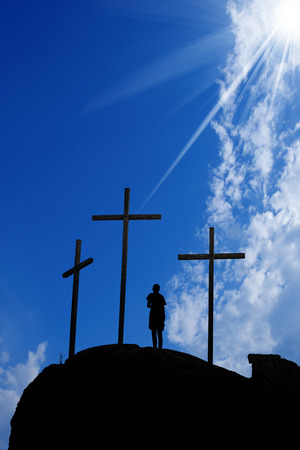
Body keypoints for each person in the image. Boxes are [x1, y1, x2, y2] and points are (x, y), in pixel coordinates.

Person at [146, 284, 166, 349]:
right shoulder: (160, 297)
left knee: (156, 332)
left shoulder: (152, 295)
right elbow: (148, 305)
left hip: (156, 315)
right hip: (156, 315)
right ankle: (158, 347)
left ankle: (157, 347)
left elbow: (148, 305)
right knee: (157, 332)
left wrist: (154, 305)